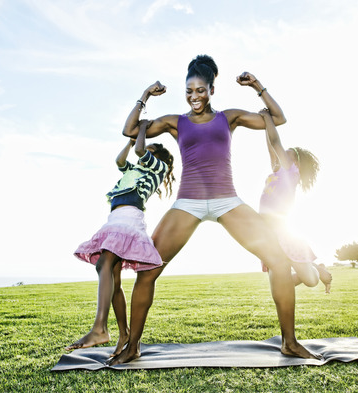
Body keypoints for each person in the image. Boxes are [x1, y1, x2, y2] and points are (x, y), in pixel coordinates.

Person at [108, 54, 320, 365]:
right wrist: (145, 96)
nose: (194, 97)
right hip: (188, 202)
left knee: (278, 260)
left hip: (227, 199)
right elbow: (130, 131)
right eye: (189, 91)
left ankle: (290, 342)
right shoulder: (175, 122)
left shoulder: (228, 117)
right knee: (148, 270)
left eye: (201, 90)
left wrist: (257, 85)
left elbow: (277, 117)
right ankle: (133, 346)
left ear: (211, 90)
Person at [66, 120, 175, 356]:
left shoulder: (158, 169)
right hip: (114, 219)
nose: (144, 152)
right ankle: (123, 333)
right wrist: (130, 139)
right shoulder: (134, 170)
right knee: (112, 278)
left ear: (157, 156)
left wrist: (142, 131)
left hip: (129, 219)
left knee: (103, 264)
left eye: (150, 150)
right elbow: (120, 161)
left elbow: (139, 151)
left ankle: (99, 328)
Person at [258, 108, 332, 294]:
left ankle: (318, 269)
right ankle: (311, 270)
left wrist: (268, 118)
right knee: (279, 287)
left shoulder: (291, 174)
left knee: (310, 281)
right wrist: (267, 126)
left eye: (287, 153)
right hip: (268, 233)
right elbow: (271, 146)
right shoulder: (278, 171)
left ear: (296, 164)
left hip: (285, 234)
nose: (282, 154)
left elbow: (276, 143)